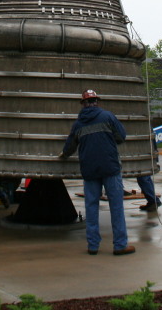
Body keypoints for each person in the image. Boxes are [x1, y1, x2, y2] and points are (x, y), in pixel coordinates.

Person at [59, 89, 135, 256]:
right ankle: (120, 245)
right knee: (116, 206)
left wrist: (63, 155)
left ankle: (93, 246)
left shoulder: (78, 124)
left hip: (90, 169)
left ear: (83, 104)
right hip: (110, 167)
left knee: (91, 207)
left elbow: (70, 146)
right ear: (96, 102)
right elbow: (121, 136)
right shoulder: (108, 116)